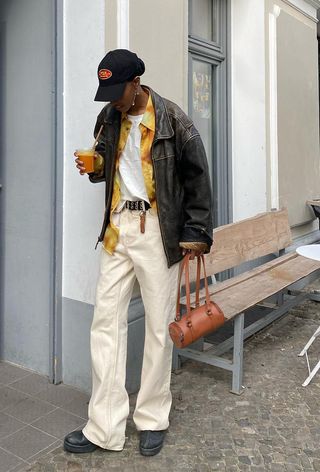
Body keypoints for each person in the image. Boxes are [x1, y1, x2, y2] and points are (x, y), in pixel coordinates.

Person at [64, 49, 213, 457]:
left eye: (118, 90)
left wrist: (196, 231)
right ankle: (104, 427)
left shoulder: (173, 120)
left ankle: (151, 418)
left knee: (157, 329)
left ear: (137, 83)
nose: (113, 99)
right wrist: (95, 166)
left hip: (156, 229)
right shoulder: (109, 117)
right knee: (105, 323)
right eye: (108, 91)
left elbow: (197, 178)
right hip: (117, 228)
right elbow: (107, 165)